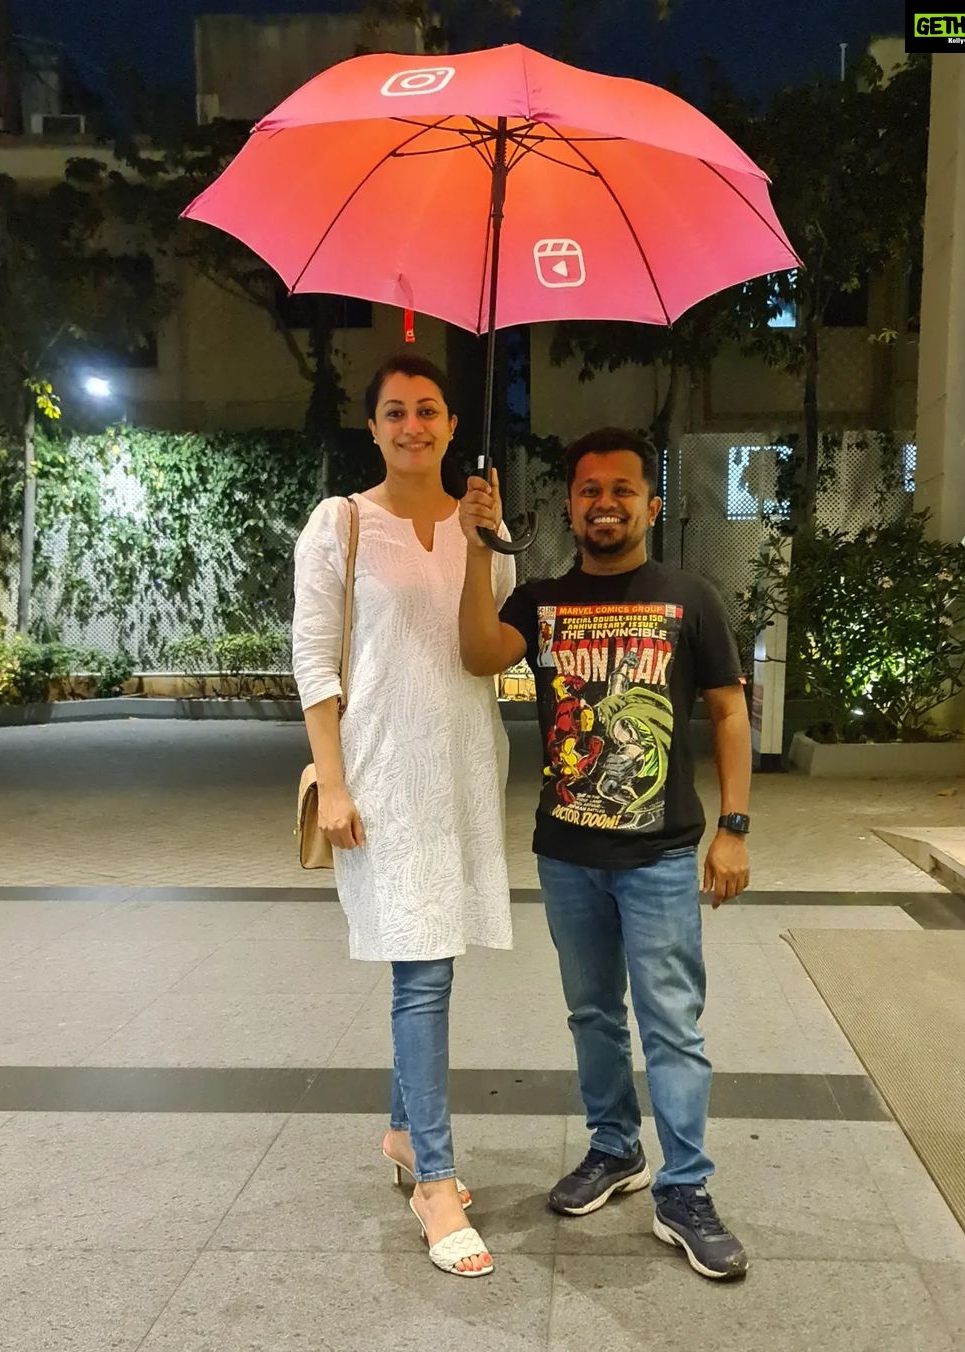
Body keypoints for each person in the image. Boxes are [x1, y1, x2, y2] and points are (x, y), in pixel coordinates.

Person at [458, 427, 752, 1282]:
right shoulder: (541, 600)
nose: (605, 503)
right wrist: (478, 547)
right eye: (589, 490)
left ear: (651, 505)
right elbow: (477, 655)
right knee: (592, 1015)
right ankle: (616, 1147)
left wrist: (734, 827)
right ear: (569, 506)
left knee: (672, 1024)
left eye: (622, 489)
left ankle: (685, 1188)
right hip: (567, 852)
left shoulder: (690, 599)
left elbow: (729, 711)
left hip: (661, 855)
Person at [292, 355, 516, 1278]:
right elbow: (314, 661)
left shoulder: (487, 530)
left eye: (428, 410)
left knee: (431, 953)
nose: (413, 425)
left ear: (454, 424)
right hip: (382, 777)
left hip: (463, 771)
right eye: (395, 411)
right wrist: (334, 782)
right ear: (374, 426)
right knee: (422, 971)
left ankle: (400, 1130)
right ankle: (435, 1178)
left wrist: (488, 541)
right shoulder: (341, 523)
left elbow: (488, 649)